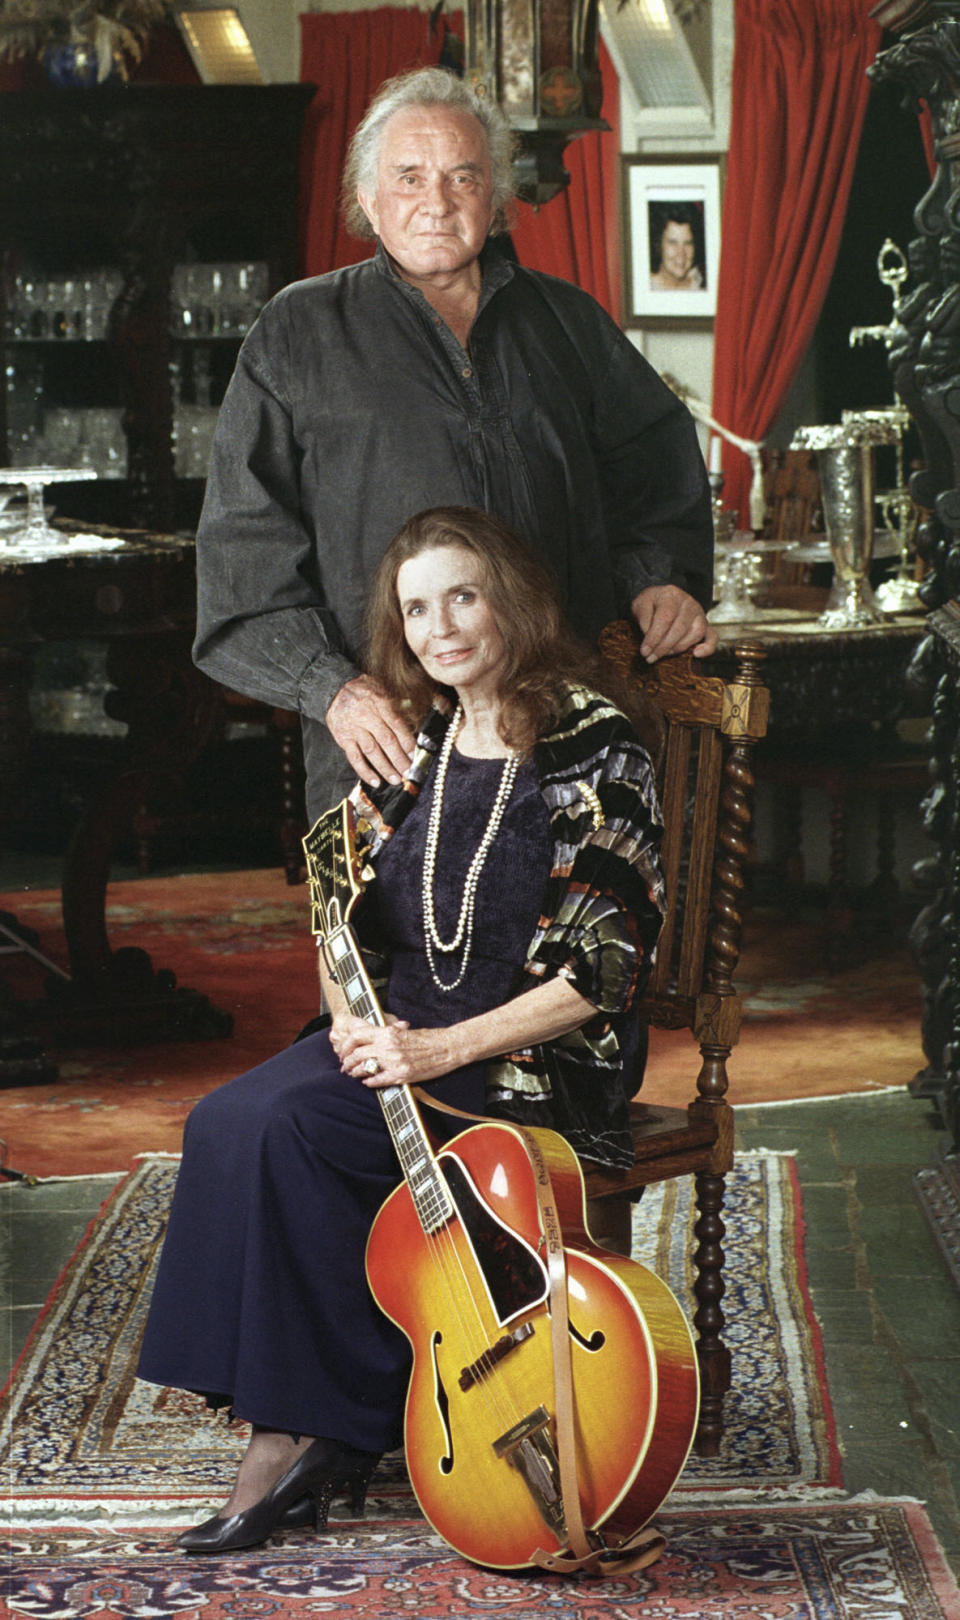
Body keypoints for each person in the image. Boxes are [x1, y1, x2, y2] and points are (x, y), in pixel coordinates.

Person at [138, 505, 666, 1555]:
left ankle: (301, 1438)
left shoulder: (595, 745)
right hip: (407, 1037)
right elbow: (345, 914)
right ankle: (308, 1418)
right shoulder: (420, 746)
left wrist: (432, 1051)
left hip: (528, 1058)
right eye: (416, 608)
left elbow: (600, 971)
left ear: (510, 597)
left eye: (463, 596)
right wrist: (351, 1017)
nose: (441, 627)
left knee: (292, 1133)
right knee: (228, 1120)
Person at [191, 66, 717, 825]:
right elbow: (241, 569)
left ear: (497, 199)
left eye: (462, 176)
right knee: (395, 946)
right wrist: (330, 691)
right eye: (408, 178)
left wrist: (657, 577)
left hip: (566, 740)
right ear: (367, 200)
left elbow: (655, 465)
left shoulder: (568, 324)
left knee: (573, 941)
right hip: (387, 749)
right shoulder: (296, 335)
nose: (435, 203)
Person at [649, 203, 705, 293]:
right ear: (658, 244)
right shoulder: (644, 288)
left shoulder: (703, 286)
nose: (681, 254)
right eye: (673, 243)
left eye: (688, 243)